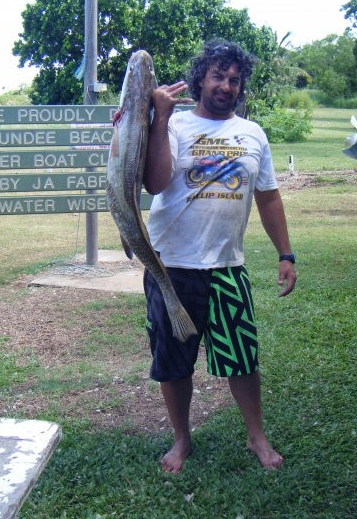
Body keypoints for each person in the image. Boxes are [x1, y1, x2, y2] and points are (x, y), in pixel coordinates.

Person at [142, 39, 297, 474]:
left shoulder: (252, 134)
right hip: (170, 267)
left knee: (242, 358)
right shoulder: (174, 125)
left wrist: (286, 253)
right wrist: (159, 123)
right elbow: (154, 184)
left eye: (234, 79)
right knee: (174, 361)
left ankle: (256, 436)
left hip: (228, 266)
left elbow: (268, 198)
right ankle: (181, 438)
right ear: (200, 79)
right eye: (218, 76)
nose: (227, 85)